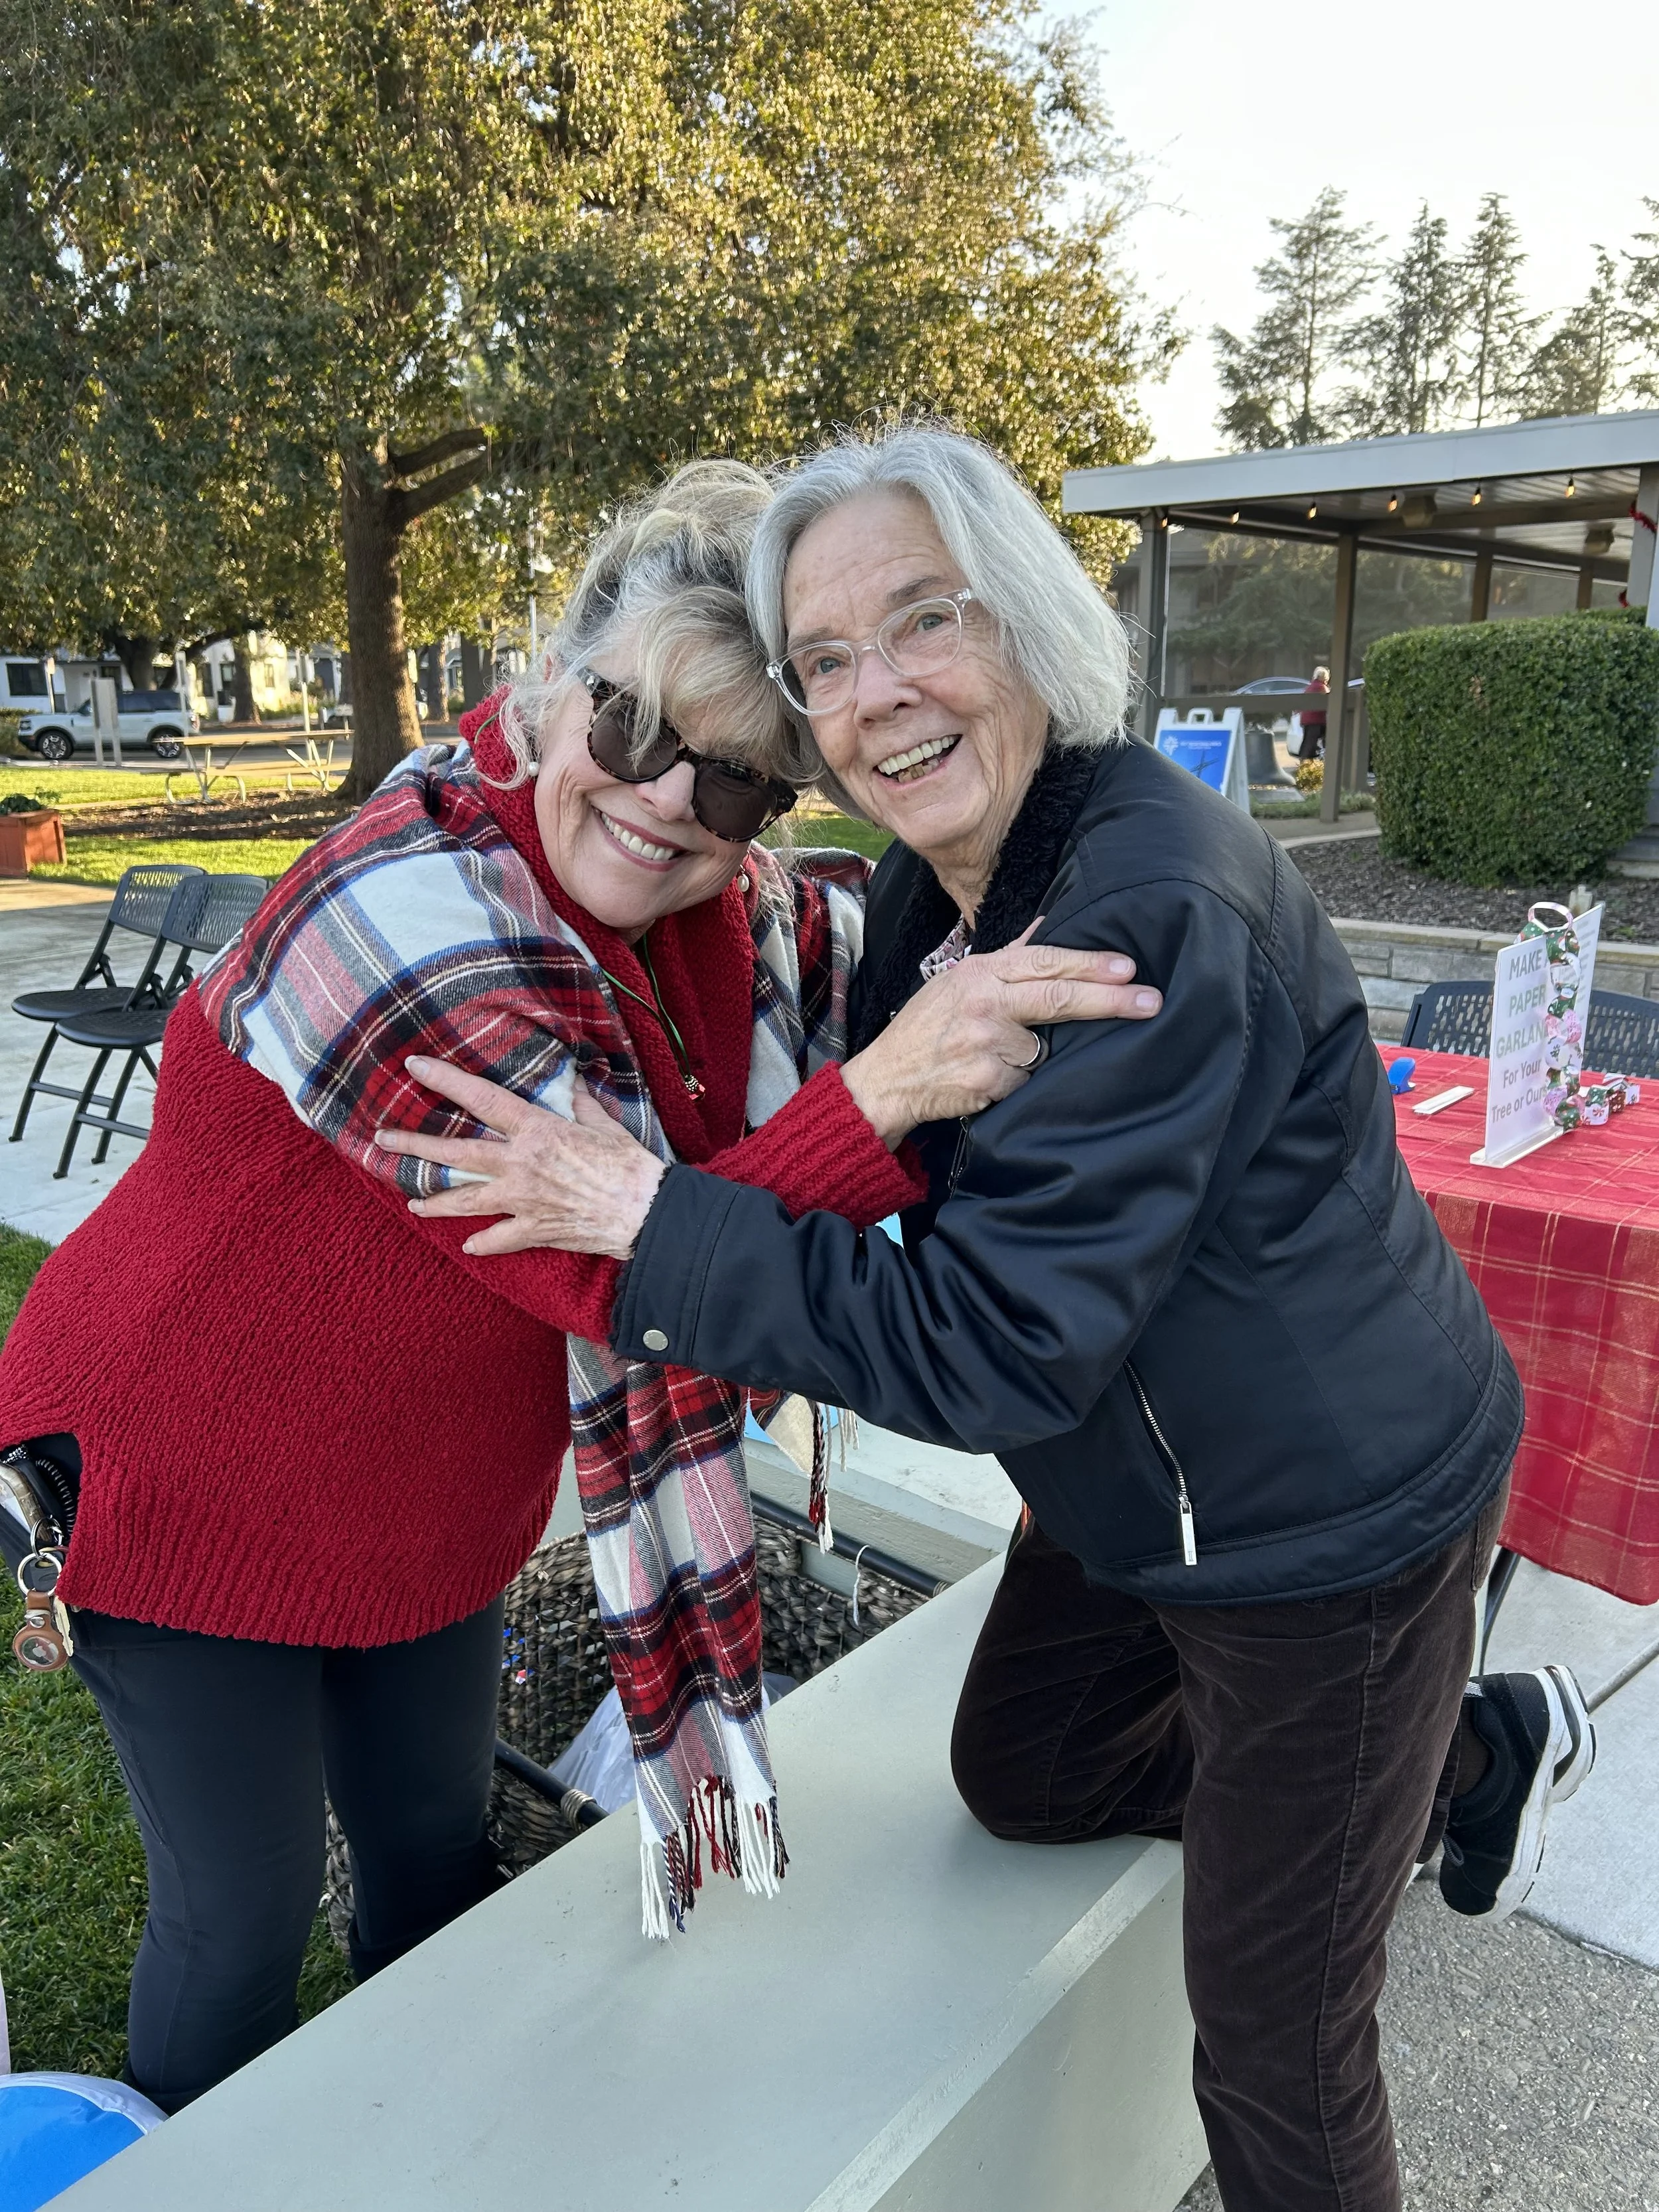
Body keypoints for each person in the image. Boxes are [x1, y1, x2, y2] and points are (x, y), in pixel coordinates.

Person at [384, 427, 1597, 2212]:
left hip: (1326, 1526)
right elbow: (884, 1161)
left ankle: (1433, 1751)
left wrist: (650, 1220)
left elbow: (991, 1342)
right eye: (825, 664)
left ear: (1025, 622)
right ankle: (1462, 1751)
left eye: (923, 621)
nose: (878, 696)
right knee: (1025, 1769)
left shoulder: (1141, 911)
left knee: (1270, 2030)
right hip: (1142, 1481)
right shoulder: (934, 893)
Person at [0, 461, 1160, 2108]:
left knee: (425, 1851)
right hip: (186, 1477)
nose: (671, 801)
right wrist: (892, 1085)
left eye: (744, 781)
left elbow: (774, 1110)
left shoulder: (735, 923)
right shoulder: (391, 908)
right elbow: (595, 1260)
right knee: (241, 1917)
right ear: (548, 689)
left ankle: (434, 2135)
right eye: (629, 729)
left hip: (430, 1496)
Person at [1296, 662, 1331, 761]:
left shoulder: (1310, 687)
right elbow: (1330, 703)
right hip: (1317, 720)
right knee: (1316, 741)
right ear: (1324, 677)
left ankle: (1304, 762)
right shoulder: (1322, 687)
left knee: (1308, 741)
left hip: (1306, 720)